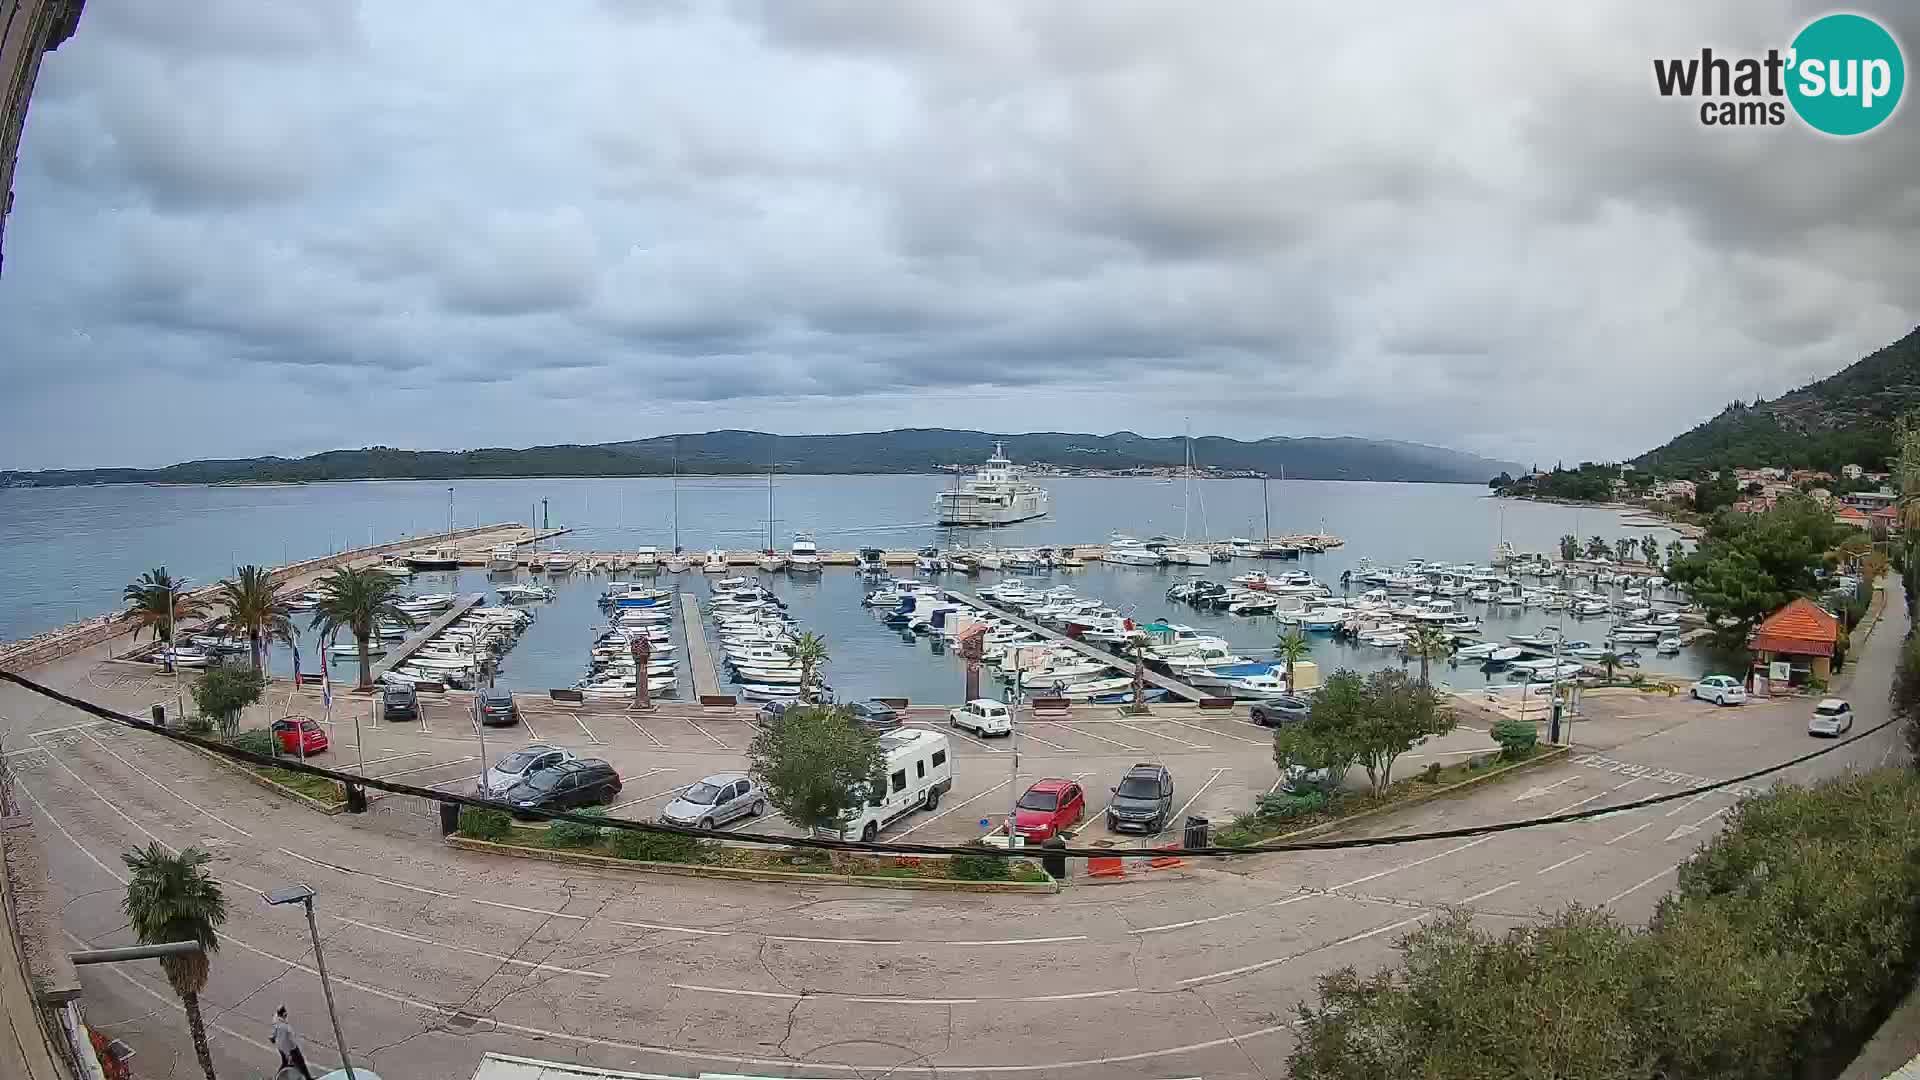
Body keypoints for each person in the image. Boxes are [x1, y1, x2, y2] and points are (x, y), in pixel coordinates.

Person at [271, 1006, 313, 1080]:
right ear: (284, 1014)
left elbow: (274, 1033)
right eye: (285, 1014)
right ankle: (308, 1078)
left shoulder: (275, 1020)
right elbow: (288, 1041)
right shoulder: (285, 1027)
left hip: (280, 1047)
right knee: (301, 1063)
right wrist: (289, 1054)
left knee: (285, 1063)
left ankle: (278, 1077)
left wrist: (273, 1037)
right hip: (291, 1049)